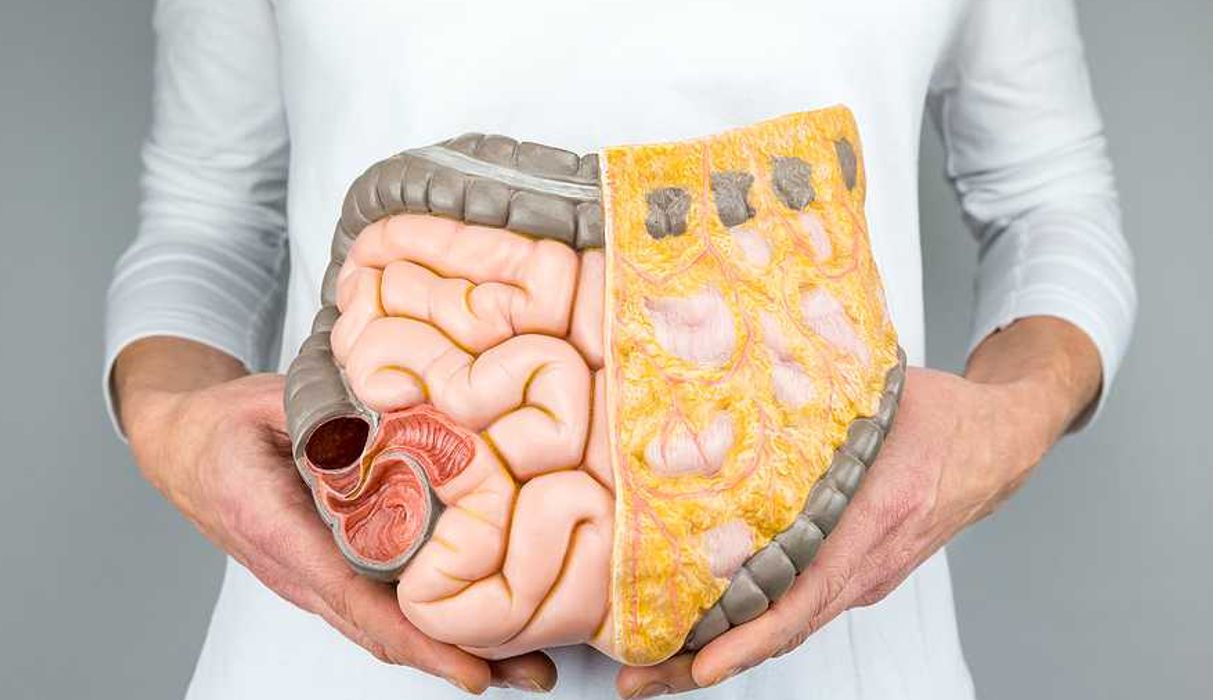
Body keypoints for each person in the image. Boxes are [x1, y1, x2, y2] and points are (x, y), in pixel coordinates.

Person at [104, 0, 1136, 698]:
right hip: (337, 656)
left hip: (839, 657)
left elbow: (1051, 198)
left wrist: (1006, 418)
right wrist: (170, 424)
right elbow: (206, 217)